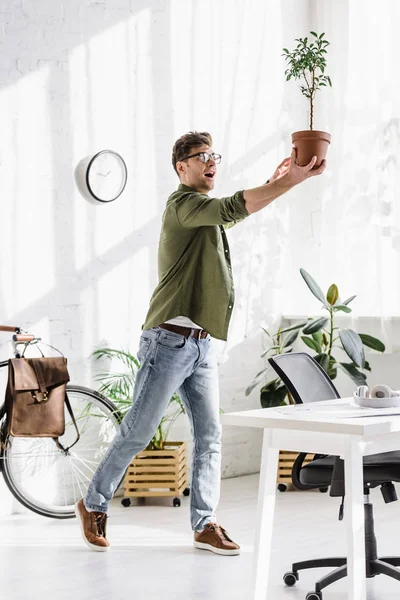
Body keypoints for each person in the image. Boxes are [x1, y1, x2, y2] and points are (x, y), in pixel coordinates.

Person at [75, 131, 326, 554]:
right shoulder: (182, 206)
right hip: (168, 342)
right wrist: (291, 181)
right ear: (181, 167)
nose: (212, 162)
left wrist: (279, 182)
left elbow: (233, 212)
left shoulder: (203, 212)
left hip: (202, 346)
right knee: (139, 431)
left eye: (215, 155)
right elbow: (230, 207)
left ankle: (204, 523)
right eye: (201, 156)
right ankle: (93, 502)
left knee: (210, 435)